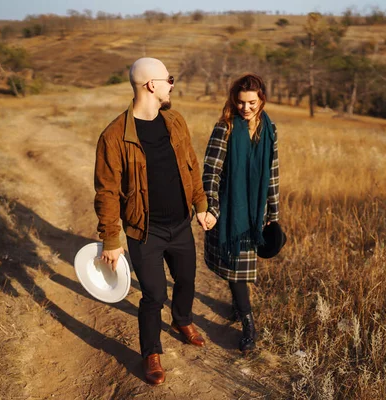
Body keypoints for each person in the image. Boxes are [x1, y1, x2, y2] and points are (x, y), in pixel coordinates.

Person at [94, 57, 209, 385]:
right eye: (168, 79)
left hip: (180, 224)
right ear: (151, 85)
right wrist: (111, 240)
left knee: (187, 280)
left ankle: (182, 321)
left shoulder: (175, 121)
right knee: (154, 295)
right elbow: (107, 192)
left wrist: (200, 205)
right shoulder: (114, 136)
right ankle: (151, 353)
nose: (172, 84)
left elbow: (191, 166)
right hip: (145, 230)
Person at [202, 73, 280, 353]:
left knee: (239, 267)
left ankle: (238, 307)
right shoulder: (224, 128)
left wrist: (274, 212)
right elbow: (211, 170)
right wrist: (211, 206)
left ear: (262, 100)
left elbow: (272, 173)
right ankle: (248, 324)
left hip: (254, 211)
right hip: (229, 209)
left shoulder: (269, 130)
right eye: (240, 102)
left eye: (251, 102)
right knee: (235, 267)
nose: (245, 108)